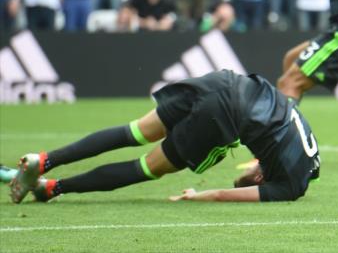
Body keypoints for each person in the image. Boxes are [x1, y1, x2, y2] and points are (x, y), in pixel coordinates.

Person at [9, 70, 320, 203]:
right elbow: (224, 194)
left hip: (226, 81)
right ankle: (52, 187)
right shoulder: (289, 187)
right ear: (261, 179)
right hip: (226, 113)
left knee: (134, 131)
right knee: (149, 167)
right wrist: (198, 196)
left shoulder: (309, 155)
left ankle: (45, 160)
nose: (250, 169)